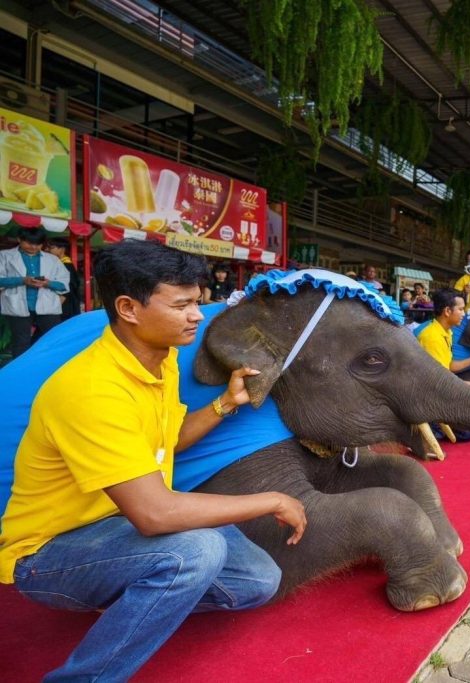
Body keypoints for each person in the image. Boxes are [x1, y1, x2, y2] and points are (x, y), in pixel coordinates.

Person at [0, 240, 306, 681]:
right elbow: (155, 514)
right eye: (182, 306)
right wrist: (274, 500)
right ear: (128, 308)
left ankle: (133, 592)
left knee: (257, 582)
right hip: (51, 552)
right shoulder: (92, 389)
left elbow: (168, 440)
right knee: (196, 548)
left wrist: (226, 403)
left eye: (197, 303)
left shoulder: (160, 363)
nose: (197, 316)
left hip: (117, 526)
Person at [0, 228, 70, 358]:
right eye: (29, 243)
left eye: (38, 244)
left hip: (48, 306)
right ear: (19, 240)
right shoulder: (4, 256)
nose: (33, 247)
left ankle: (50, 368)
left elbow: (64, 284)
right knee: (21, 342)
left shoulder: (52, 260)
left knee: (54, 339)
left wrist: (48, 283)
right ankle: (21, 372)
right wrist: (22, 280)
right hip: (17, 306)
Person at [418, 287, 470, 390]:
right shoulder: (432, 338)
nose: (463, 314)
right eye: (460, 309)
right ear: (447, 311)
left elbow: (448, 366)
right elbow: (440, 381)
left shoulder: (446, 332)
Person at [45, 238, 82, 321]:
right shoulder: (60, 263)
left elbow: (68, 288)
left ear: (62, 249)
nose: (47, 250)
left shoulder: (66, 265)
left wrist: (55, 307)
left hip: (66, 304)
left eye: (51, 248)